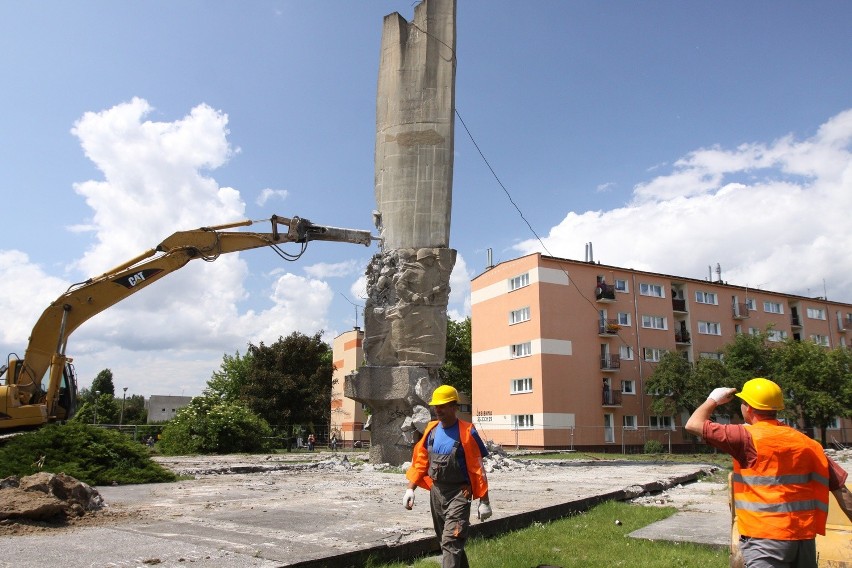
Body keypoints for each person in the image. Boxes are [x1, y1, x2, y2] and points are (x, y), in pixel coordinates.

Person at [685, 377, 852, 568]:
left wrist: (713, 399)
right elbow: (843, 493)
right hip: (804, 541)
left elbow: (693, 424)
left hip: (765, 541)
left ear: (748, 408)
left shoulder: (745, 437)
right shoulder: (808, 444)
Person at [403, 385, 492, 568]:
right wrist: (410, 489)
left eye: (442, 406)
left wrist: (484, 501)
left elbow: (477, 468)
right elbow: (420, 461)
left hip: (460, 494)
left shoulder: (468, 432)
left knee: (451, 540)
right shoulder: (431, 430)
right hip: (437, 493)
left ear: (454, 406)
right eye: (436, 406)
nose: (438, 410)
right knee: (449, 542)